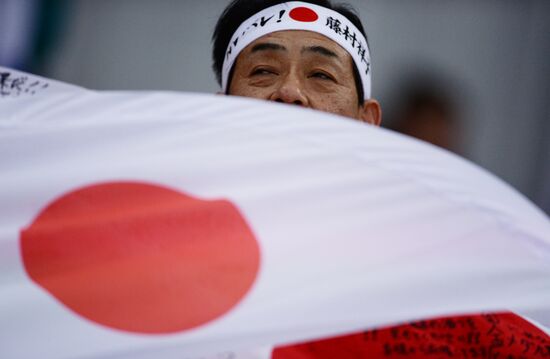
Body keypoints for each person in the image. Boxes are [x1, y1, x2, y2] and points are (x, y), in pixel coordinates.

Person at [211, 1, 550, 357]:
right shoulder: (159, 245)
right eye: (264, 70)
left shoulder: (444, 282)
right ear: (218, 111)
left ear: (367, 122)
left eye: (321, 75)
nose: (290, 92)